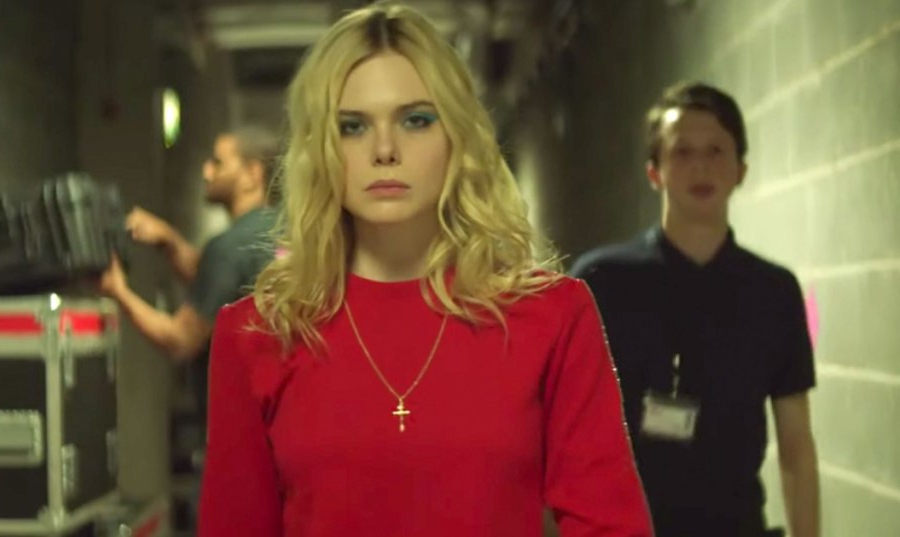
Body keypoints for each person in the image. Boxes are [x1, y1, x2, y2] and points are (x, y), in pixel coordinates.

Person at [197, 3, 652, 536]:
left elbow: (611, 525)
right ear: (319, 150)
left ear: (456, 136)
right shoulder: (257, 333)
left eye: (415, 120)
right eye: (352, 127)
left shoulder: (552, 316)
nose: (385, 150)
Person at [569, 82, 820, 537]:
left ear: (741, 169)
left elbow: (796, 447)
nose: (701, 166)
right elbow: (562, 434)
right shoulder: (602, 281)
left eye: (716, 151)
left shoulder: (773, 291)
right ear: (654, 171)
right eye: (682, 152)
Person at [100, 126, 279, 415]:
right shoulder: (278, 232)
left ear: (252, 174)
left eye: (218, 163)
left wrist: (118, 290)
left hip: (242, 419)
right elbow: (219, 284)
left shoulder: (230, 247)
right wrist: (169, 241)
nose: (206, 172)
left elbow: (180, 340)